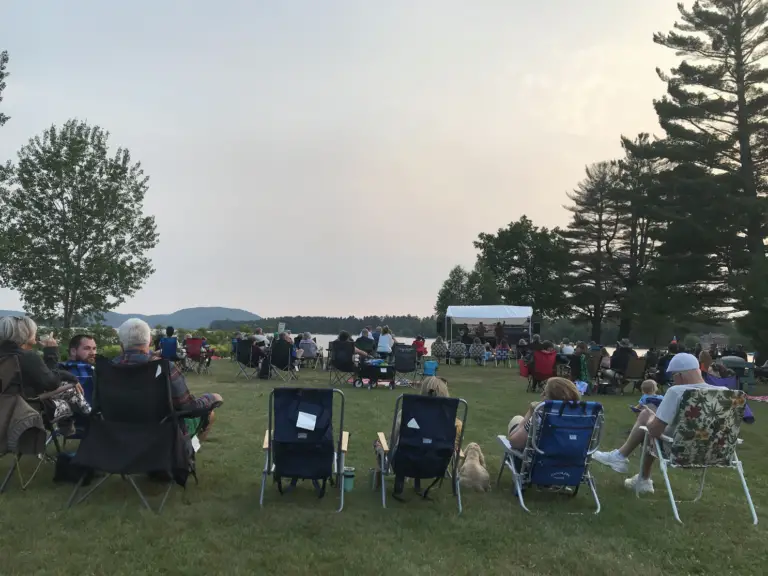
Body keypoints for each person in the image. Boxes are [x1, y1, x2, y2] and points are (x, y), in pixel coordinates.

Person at [592, 353, 726, 493]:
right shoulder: (725, 392)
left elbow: (655, 430)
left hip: (680, 452)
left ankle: (628, 464)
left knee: (647, 419)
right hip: (717, 452)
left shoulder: (677, 392)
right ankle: (632, 470)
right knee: (652, 419)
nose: (673, 381)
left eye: (673, 377)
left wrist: (650, 417)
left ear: (679, 375)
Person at [113, 318, 222, 442]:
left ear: (121, 345)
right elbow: (187, 407)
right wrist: (212, 398)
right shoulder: (165, 368)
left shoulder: (106, 370)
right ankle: (185, 455)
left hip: (119, 436)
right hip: (161, 438)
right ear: (149, 343)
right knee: (210, 414)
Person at [0, 316, 86, 436]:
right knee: (71, 392)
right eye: (33, 331)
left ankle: (73, 426)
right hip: (26, 411)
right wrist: (51, 352)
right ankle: (86, 423)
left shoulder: (6, 356)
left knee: (69, 389)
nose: (35, 333)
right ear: (25, 333)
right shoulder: (27, 357)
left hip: (5, 410)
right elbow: (51, 383)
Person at [507, 377, 581, 450]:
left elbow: (514, 442)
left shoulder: (542, 416)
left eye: (545, 394)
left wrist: (530, 412)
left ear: (554, 398)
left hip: (542, 459)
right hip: (573, 459)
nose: (541, 395)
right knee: (518, 419)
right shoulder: (584, 417)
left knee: (516, 420)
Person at [60, 334, 98, 405]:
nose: (92, 353)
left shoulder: (94, 369)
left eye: (94, 348)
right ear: (73, 351)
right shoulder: (62, 368)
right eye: (87, 348)